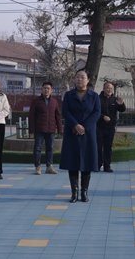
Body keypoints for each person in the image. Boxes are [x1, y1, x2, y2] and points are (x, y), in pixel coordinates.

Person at [61, 69, 100, 202]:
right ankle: (74, 192)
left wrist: (84, 127)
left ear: (88, 80)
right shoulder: (69, 95)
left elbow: (96, 113)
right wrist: (75, 125)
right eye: (77, 77)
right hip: (72, 132)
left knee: (87, 162)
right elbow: (65, 111)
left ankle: (84, 192)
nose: (79, 79)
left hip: (88, 133)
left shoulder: (94, 96)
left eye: (83, 77)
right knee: (72, 162)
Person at [28, 81, 61, 175]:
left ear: (51, 90)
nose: (46, 90)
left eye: (48, 88)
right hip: (39, 129)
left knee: (50, 148)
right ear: (41, 89)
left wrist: (60, 129)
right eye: (44, 88)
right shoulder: (36, 101)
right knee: (37, 148)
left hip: (51, 129)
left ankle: (49, 166)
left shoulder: (54, 102)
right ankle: (37, 167)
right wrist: (32, 130)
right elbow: (31, 116)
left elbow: (57, 116)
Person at [97, 81, 126, 172]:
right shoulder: (98, 99)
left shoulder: (115, 99)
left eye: (111, 88)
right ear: (103, 89)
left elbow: (122, 110)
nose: (109, 90)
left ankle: (107, 166)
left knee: (108, 147)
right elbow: (95, 111)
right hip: (99, 127)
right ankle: (98, 164)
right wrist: (103, 117)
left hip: (110, 127)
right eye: (108, 88)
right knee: (98, 147)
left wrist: (121, 104)